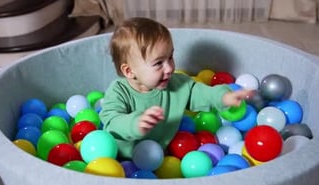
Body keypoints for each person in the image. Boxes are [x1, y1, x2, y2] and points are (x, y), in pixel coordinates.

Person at [99, 17, 254, 159]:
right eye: (158, 63)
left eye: (170, 57)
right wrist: (136, 123)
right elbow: (112, 121)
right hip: (122, 158)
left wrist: (223, 97)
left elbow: (198, 92)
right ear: (129, 71)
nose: (169, 68)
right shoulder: (118, 92)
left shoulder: (176, 83)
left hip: (164, 155)